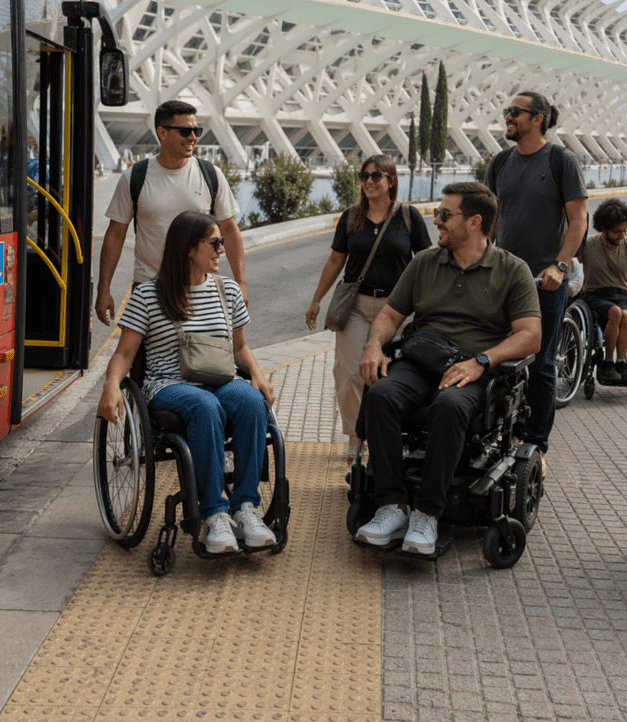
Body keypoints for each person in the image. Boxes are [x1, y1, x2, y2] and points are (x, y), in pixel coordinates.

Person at [355, 183, 541, 555]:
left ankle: (427, 513)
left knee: (450, 406)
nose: (435, 221)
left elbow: (531, 336)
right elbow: (390, 315)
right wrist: (374, 344)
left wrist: (482, 361)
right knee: (381, 395)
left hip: (473, 370)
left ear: (474, 222)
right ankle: (392, 506)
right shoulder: (425, 262)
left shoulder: (511, 270)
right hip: (423, 359)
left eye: (444, 215)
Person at [97, 211, 275, 554]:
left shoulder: (228, 292)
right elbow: (124, 354)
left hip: (220, 378)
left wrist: (258, 374)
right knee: (205, 406)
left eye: (221, 241)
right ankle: (214, 515)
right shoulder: (149, 295)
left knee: (252, 401)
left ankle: (246, 508)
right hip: (169, 385)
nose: (221, 248)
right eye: (214, 242)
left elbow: (239, 347)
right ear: (188, 249)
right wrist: (111, 385)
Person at [305, 155, 431, 460]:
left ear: (391, 180)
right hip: (357, 306)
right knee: (349, 373)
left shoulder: (408, 217)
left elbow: (426, 259)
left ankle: (385, 434)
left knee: (390, 375)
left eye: (376, 176)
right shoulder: (352, 218)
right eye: (364, 176)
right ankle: (355, 435)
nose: (369, 181)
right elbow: (336, 260)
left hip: (398, 308)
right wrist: (316, 299)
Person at [485, 91, 587, 459]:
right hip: (502, 278)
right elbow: (490, 222)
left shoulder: (562, 160)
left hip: (544, 283)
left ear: (538, 118)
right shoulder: (500, 163)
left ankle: (535, 445)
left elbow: (578, 220)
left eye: (515, 112)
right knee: (494, 355)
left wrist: (560, 266)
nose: (508, 117)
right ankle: (498, 430)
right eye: (507, 111)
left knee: (541, 363)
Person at [96, 100, 248, 323]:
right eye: (186, 130)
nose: (193, 137)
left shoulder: (211, 175)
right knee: (139, 357)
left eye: (196, 130)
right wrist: (103, 288)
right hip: (148, 290)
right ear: (162, 133)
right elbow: (115, 234)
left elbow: (230, 230)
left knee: (200, 357)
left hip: (198, 291)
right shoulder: (135, 177)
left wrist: (241, 283)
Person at [579, 198, 627, 385]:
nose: (622, 235)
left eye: (625, 230)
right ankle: (608, 363)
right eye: (616, 231)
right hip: (594, 295)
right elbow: (570, 265)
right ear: (603, 229)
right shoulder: (589, 245)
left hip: (622, 295)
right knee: (616, 312)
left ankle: (621, 364)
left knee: (624, 313)